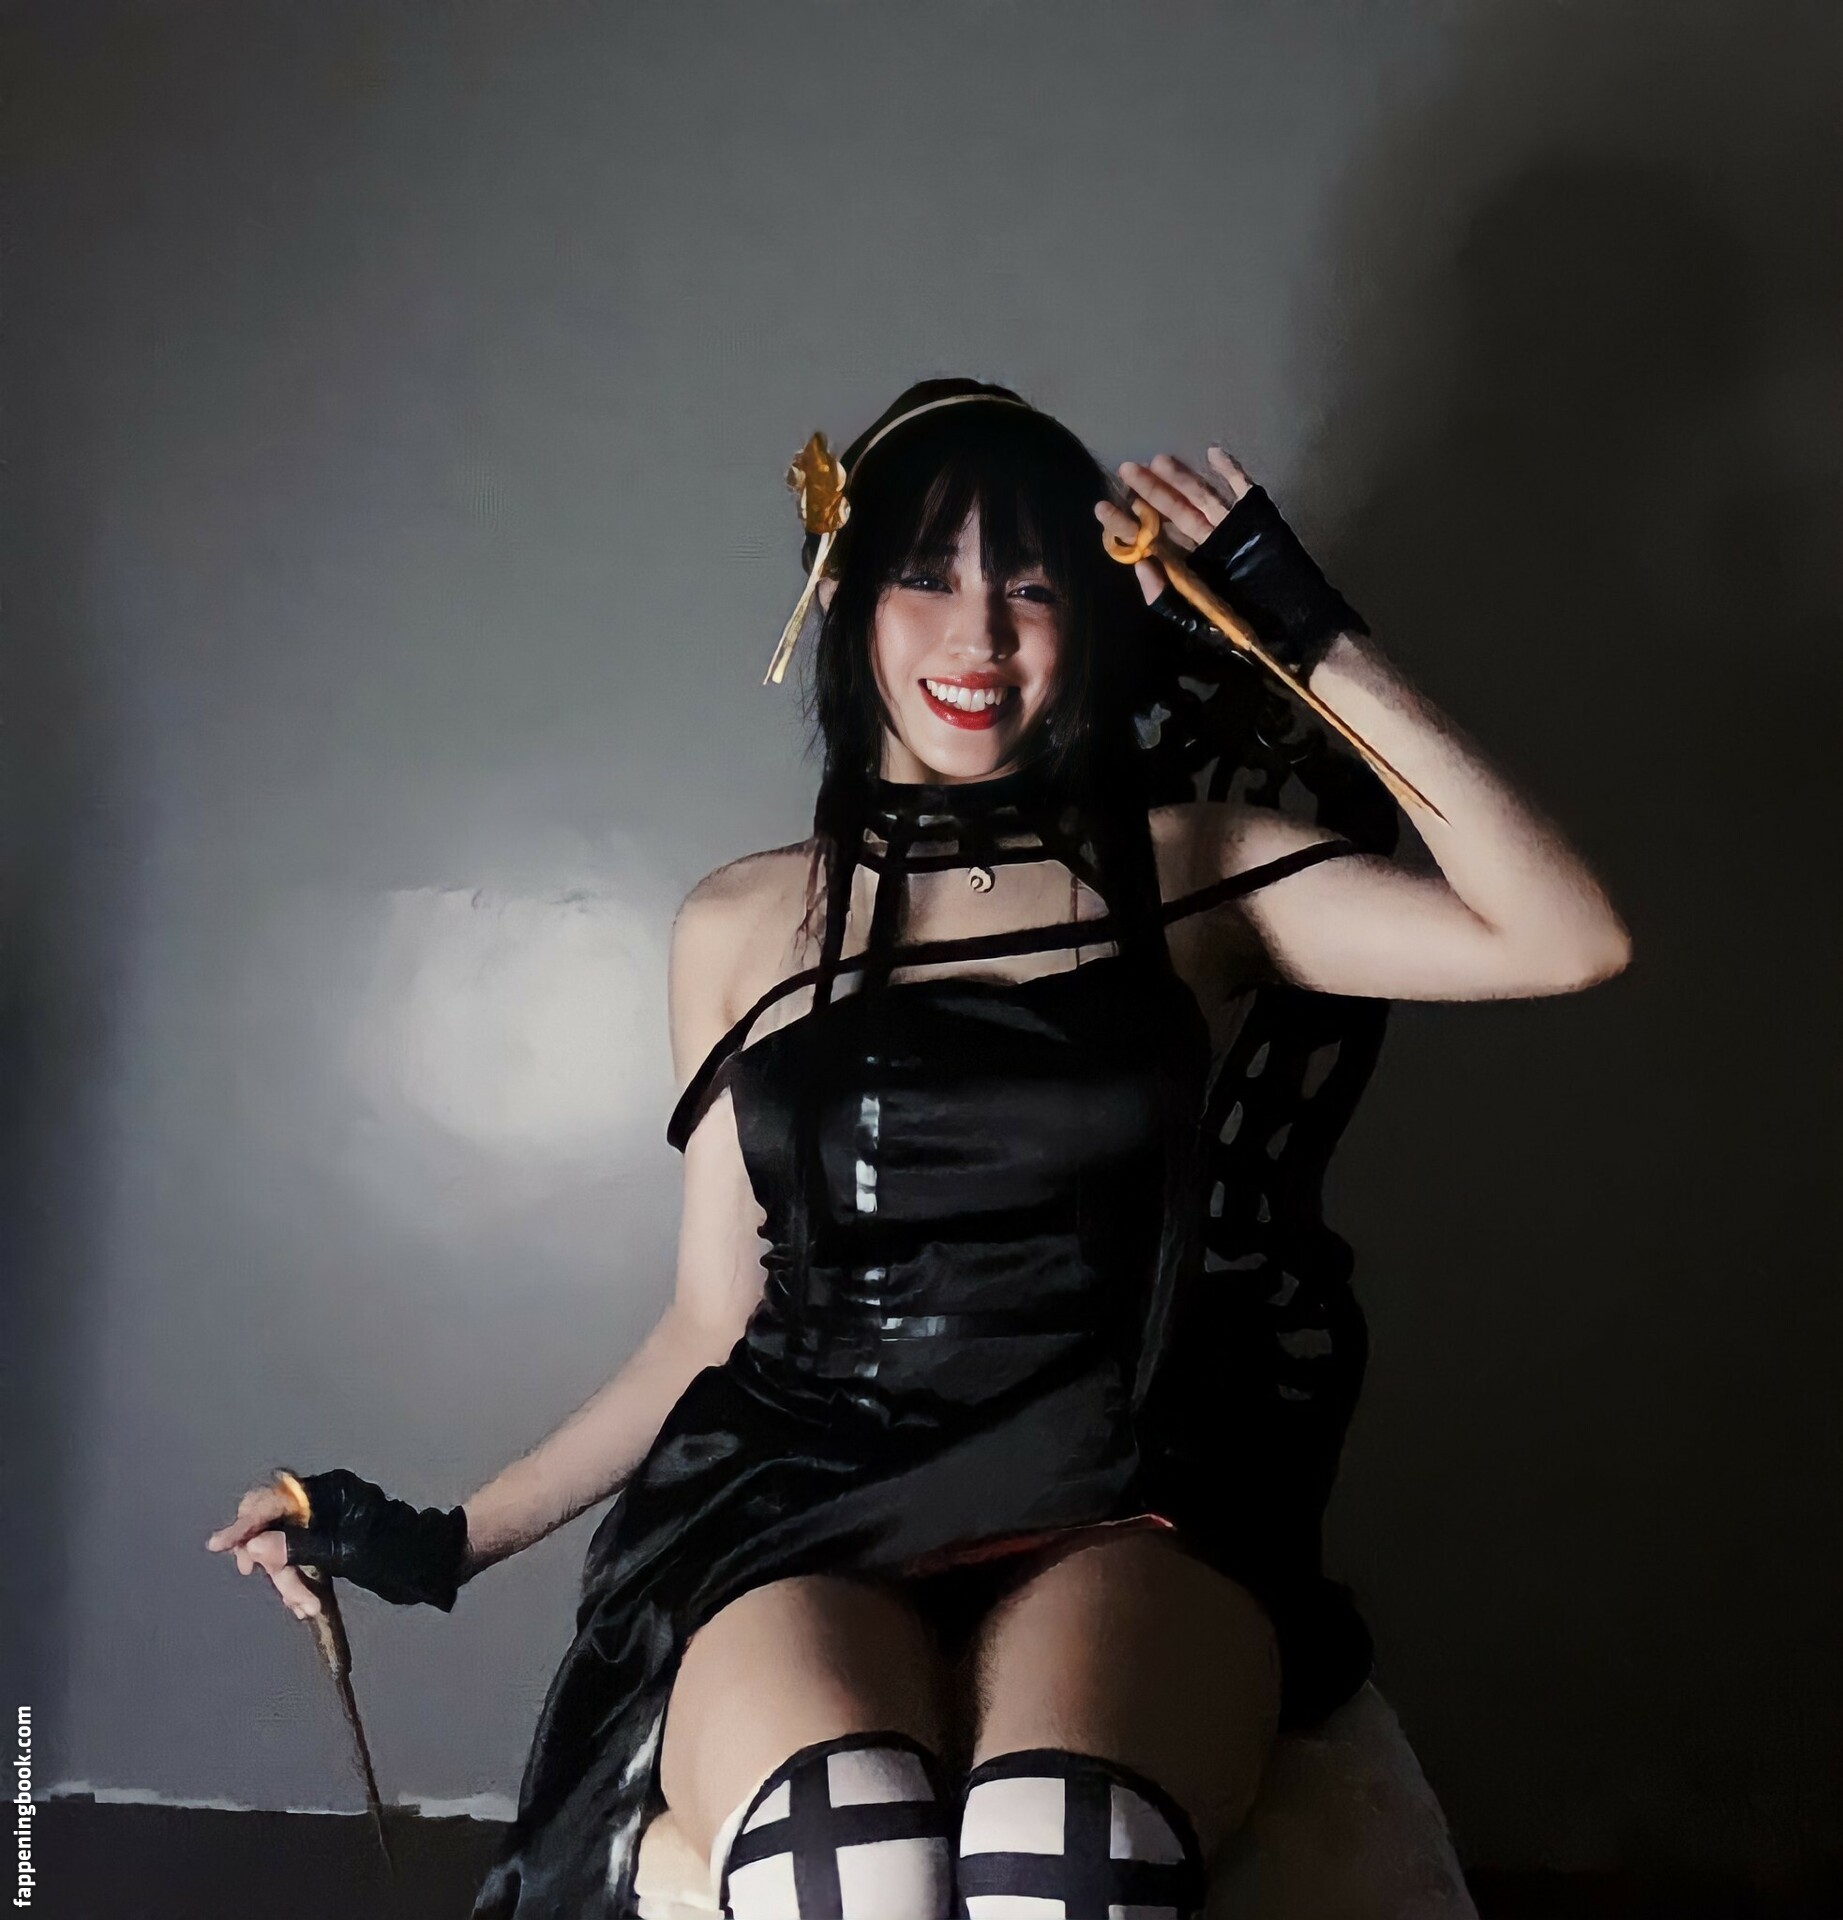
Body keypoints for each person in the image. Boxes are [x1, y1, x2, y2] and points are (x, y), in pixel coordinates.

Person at [206, 377, 1630, 1920]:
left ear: (1093, 616)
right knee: (847, 1863)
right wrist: (441, 1541)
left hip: (1121, 1491)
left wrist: (1297, 626)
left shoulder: (1195, 866)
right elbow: (710, 1323)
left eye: (1034, 588)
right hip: (798, 1497)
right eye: (927, 576)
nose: (980, 637)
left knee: (1061, 1859)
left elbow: (1564, 937)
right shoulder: (742, 922)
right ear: (839, 596)